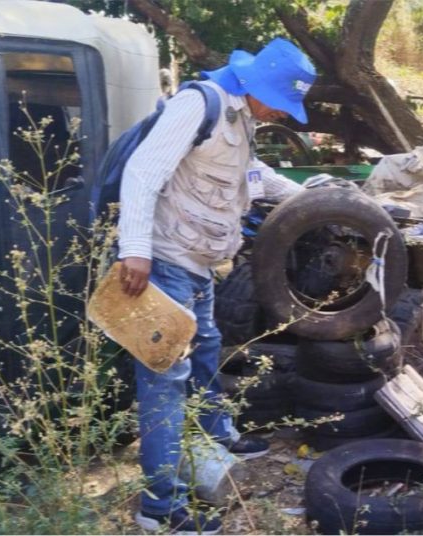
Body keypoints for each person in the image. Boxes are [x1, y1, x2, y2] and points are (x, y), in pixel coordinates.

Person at [117, 37, 315, 534]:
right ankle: (160, 508)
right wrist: (135, 249)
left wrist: (318, 195)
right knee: (165, 381)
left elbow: (255, 177)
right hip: (163, 263)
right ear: (257, 85)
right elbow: (142, 173)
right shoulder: (197, 105)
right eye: (281, 103)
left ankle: (216, 437)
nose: (282, 115)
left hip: (201, 266)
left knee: (206, 349)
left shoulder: (242, 116)